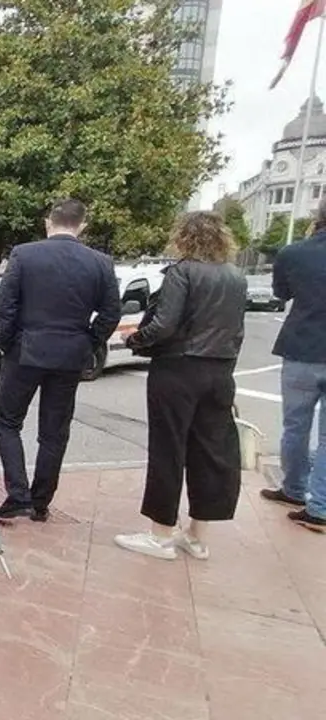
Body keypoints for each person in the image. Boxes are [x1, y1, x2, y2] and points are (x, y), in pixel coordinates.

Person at [112, 212, 247, 558]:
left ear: (184, 237)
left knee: (168, 449)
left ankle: (160, 534)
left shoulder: (182, 271)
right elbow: (236, 331)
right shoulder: (236, 277)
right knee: (211, 452)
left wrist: (136, 340)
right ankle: (197, 535)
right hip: (219, 372)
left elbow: (165, 324)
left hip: (178, 369)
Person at [0, 199, 121, 522]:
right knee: (55, 431)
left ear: (49, 222)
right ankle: (41, 500)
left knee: (7, 421)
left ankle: (18, 493)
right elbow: (110, 313)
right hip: (70, 354)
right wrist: (89, 342)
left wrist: (8, 343)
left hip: (25, 350)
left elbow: (4, 305)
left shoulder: (25, 254)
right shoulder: (100, 263)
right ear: (82, 225)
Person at [261, 198, 326, 532]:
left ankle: (294, 489)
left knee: (295, 426)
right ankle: (321, 507)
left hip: (303, 348)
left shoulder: (294, 253)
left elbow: (281, 293)